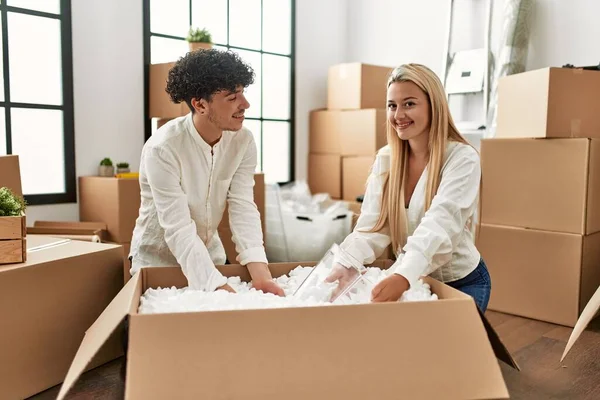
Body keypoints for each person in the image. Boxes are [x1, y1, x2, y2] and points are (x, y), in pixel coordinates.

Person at [326, 63, 491, 312]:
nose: (398, 115)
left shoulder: (462, 158)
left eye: (409, 104)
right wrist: (347, 262)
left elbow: (440, 224)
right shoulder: (386, 158)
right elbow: (374, 226)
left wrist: (403, 276)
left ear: (433, 105)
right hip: (410, 281)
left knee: (445, 352)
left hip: (461, 283)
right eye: (392, 105)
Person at [128, 49, 284, 296]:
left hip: (210, 259)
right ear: (200, 104)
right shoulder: (163, 149)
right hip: (158, 264)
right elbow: (178, 227)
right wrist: (216, 287)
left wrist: (261, 275)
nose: (245, 105)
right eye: (232, 97)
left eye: (242, 93)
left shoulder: (243, 141)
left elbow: (243, 206)